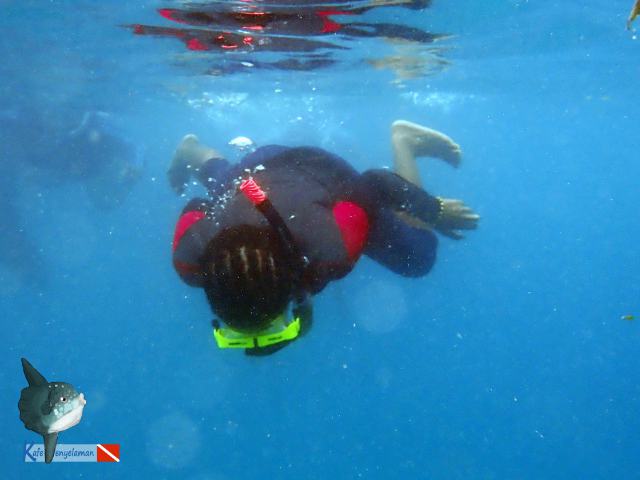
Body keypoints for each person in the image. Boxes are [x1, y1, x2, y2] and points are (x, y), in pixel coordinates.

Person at [169, 120, 478, 355]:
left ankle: (405, 140)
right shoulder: (189, 257)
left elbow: (376, 184)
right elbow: (197, 206)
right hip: (252, 175)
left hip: (318, 169)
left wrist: (432, 210)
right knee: (225, 185)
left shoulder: (331, 248)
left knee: (420, 258)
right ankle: (190, 151)